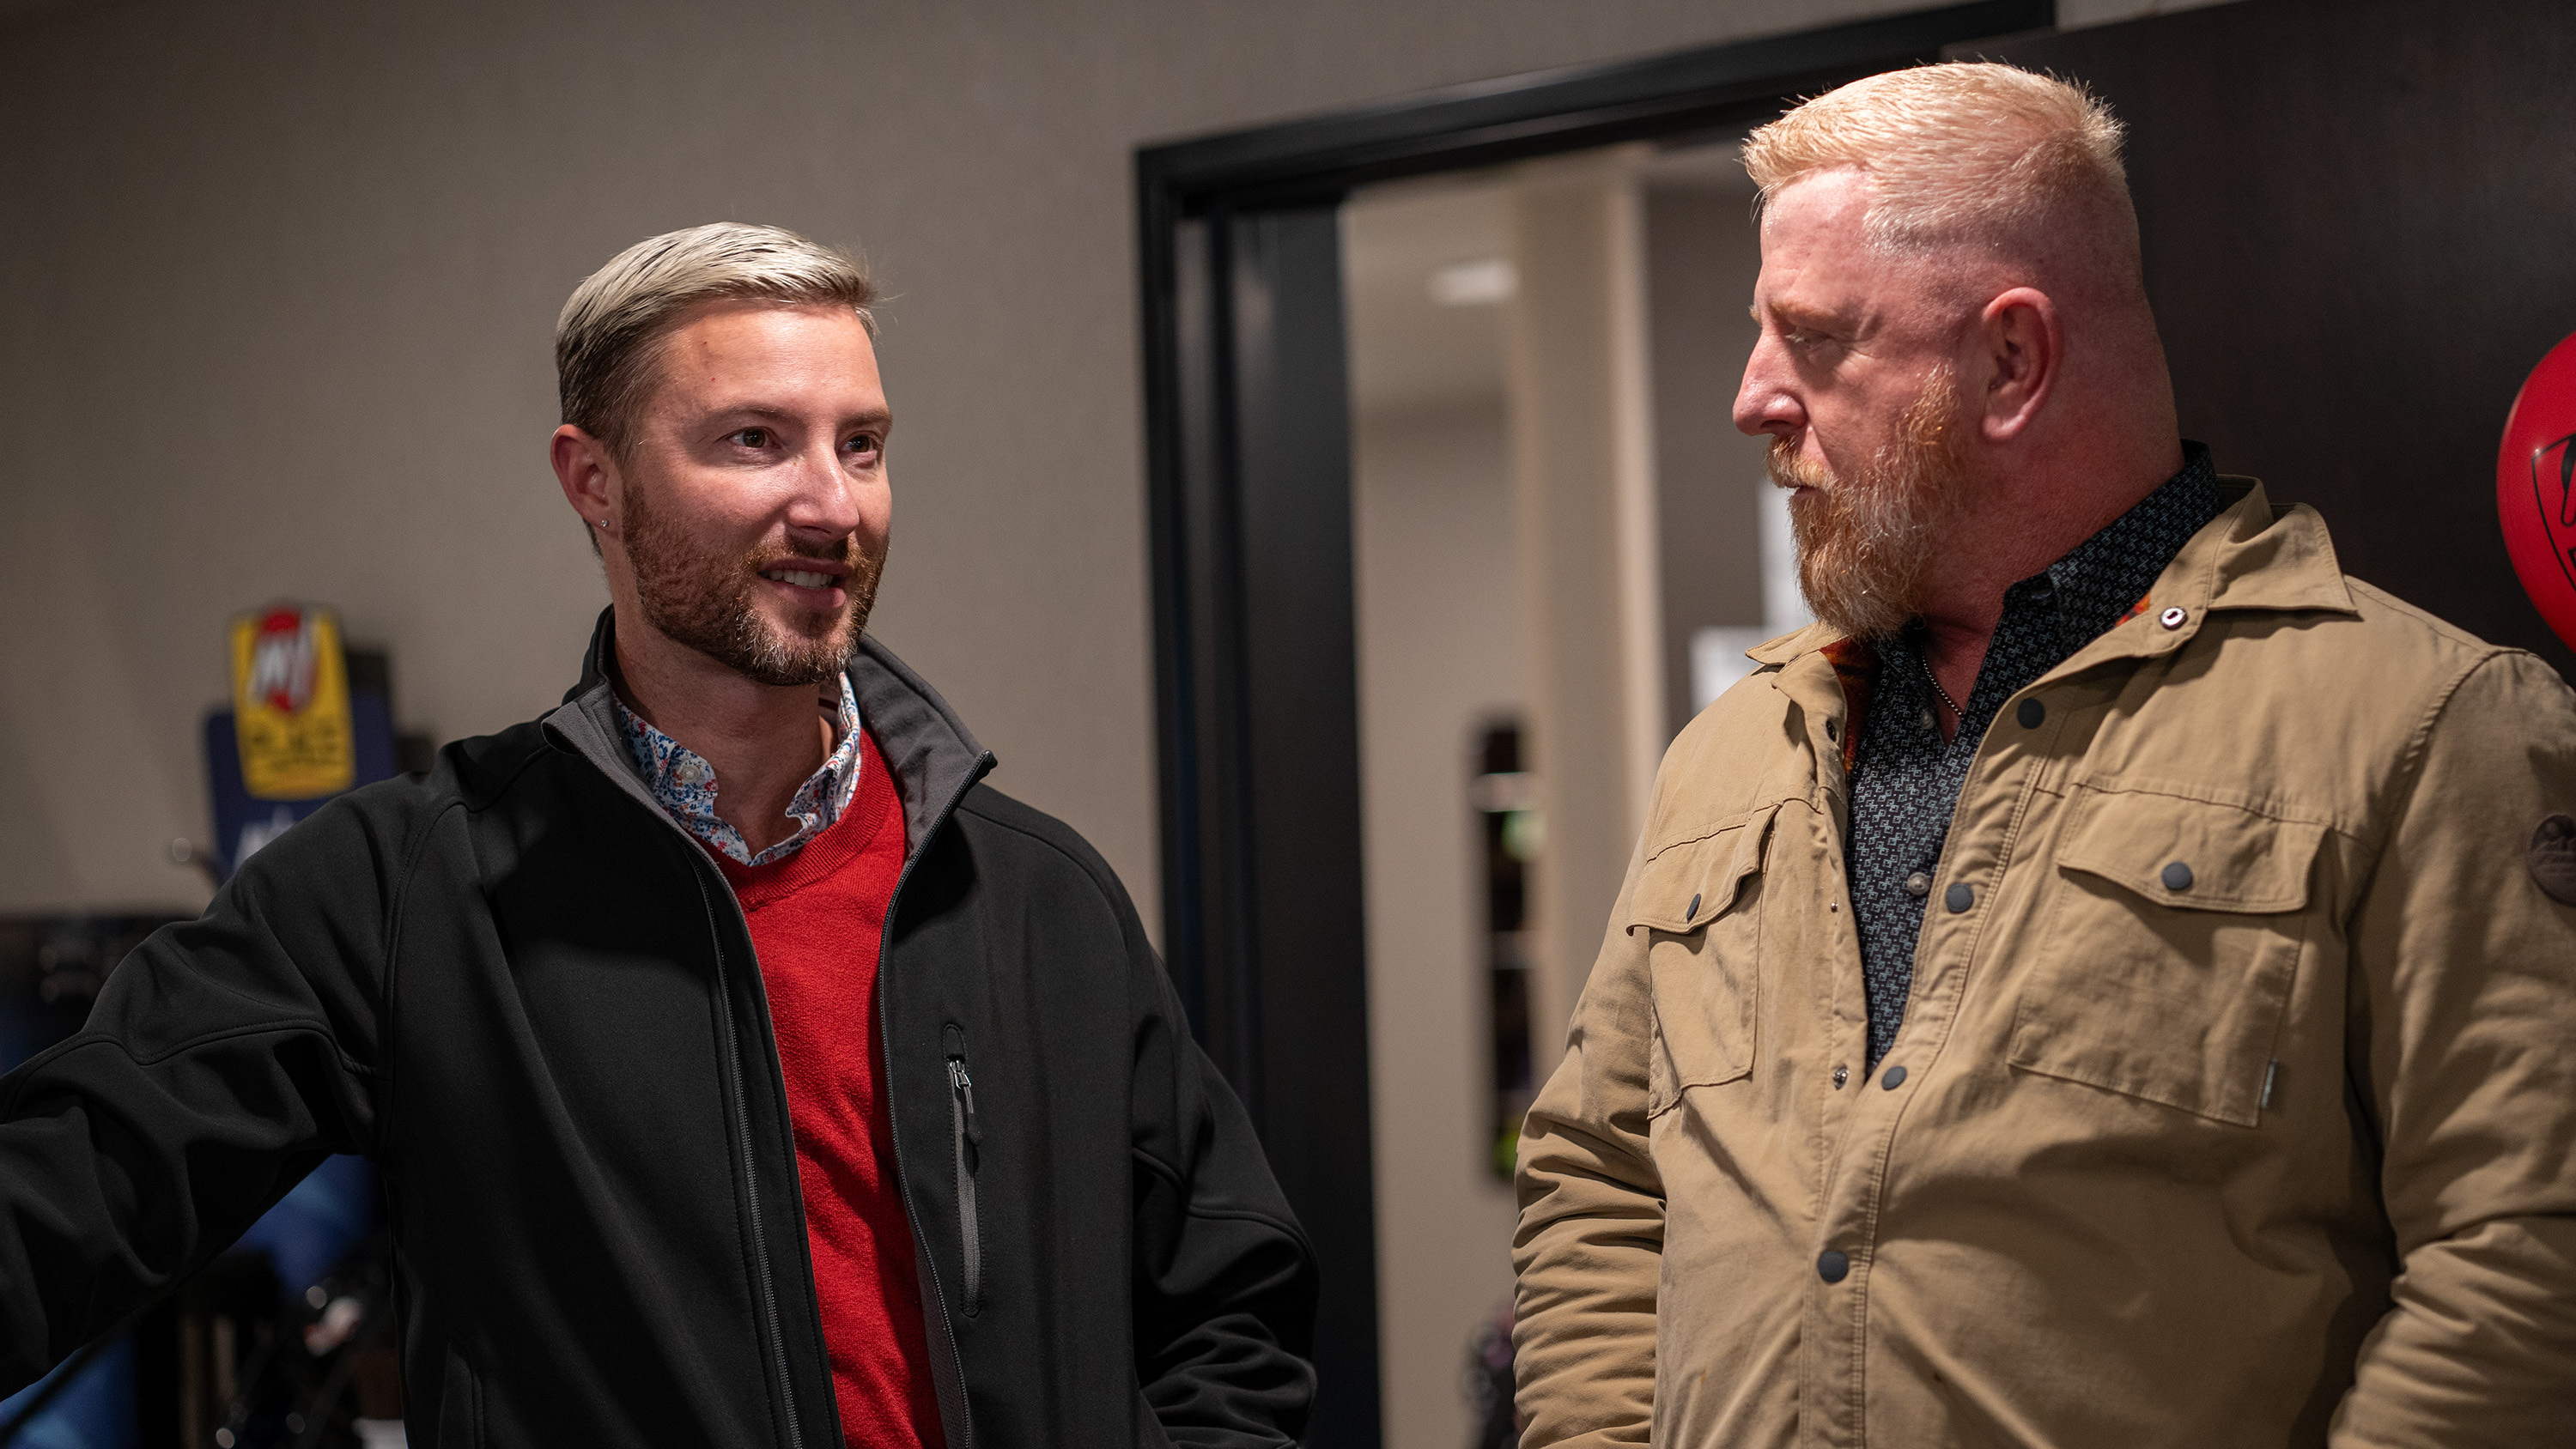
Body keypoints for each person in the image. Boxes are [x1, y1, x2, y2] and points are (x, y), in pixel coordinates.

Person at [0, 223, 1317, 1448]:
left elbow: (1232, 1304)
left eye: (860, 445)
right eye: (754, 440)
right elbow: (74, 1188)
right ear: (596, 482)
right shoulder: (412, 890)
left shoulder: (1035, 898)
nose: (832, 505)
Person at [1510, 62, 2576, 1447]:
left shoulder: (2426, 728)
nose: (1754, 398)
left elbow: (2528, 1251)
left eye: (1816, 339)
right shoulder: (1732, 755)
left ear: (2012, 360)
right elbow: (1600, 1175)